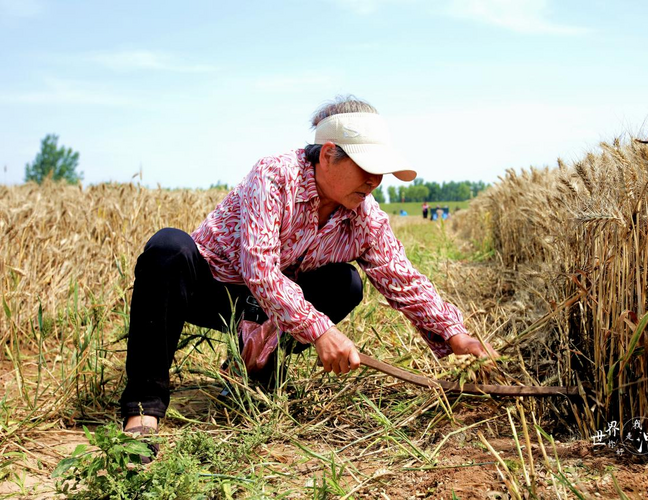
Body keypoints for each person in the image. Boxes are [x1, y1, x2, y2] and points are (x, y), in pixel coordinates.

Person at [119, 96, 497, 460]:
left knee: (345, 283)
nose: (375, 181)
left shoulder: (364, 215)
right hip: (216, 290)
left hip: (276, 310)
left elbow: (400, 275)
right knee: (168, 248)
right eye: (367, 168)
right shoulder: (274, 176)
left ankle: (251, 373)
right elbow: (260, 271)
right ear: (329, 153)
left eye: (381, 172)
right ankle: (143, 407)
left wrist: (453, 333)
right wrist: (320, 331)